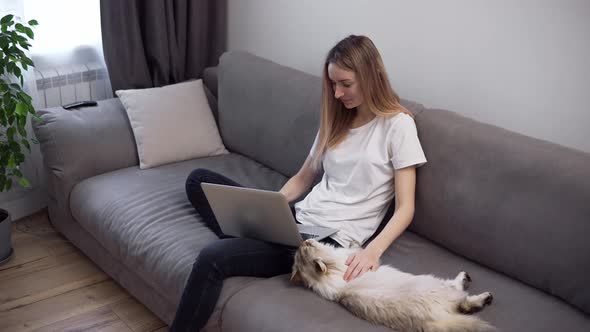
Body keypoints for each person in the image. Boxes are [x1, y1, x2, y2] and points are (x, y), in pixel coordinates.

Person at [169, 34, 427, 331]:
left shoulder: (398, 126)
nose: (337, 93)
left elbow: (405, 207)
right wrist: (269, 209)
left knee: (211, 259)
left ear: (372, 76)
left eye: (345, 84)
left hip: (327, 243)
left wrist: (372, 251)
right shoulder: (337, 120)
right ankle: (252, 238)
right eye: (333, 84)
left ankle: (248, 246)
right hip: (300, 220)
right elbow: (304, 177)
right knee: (198, 180)